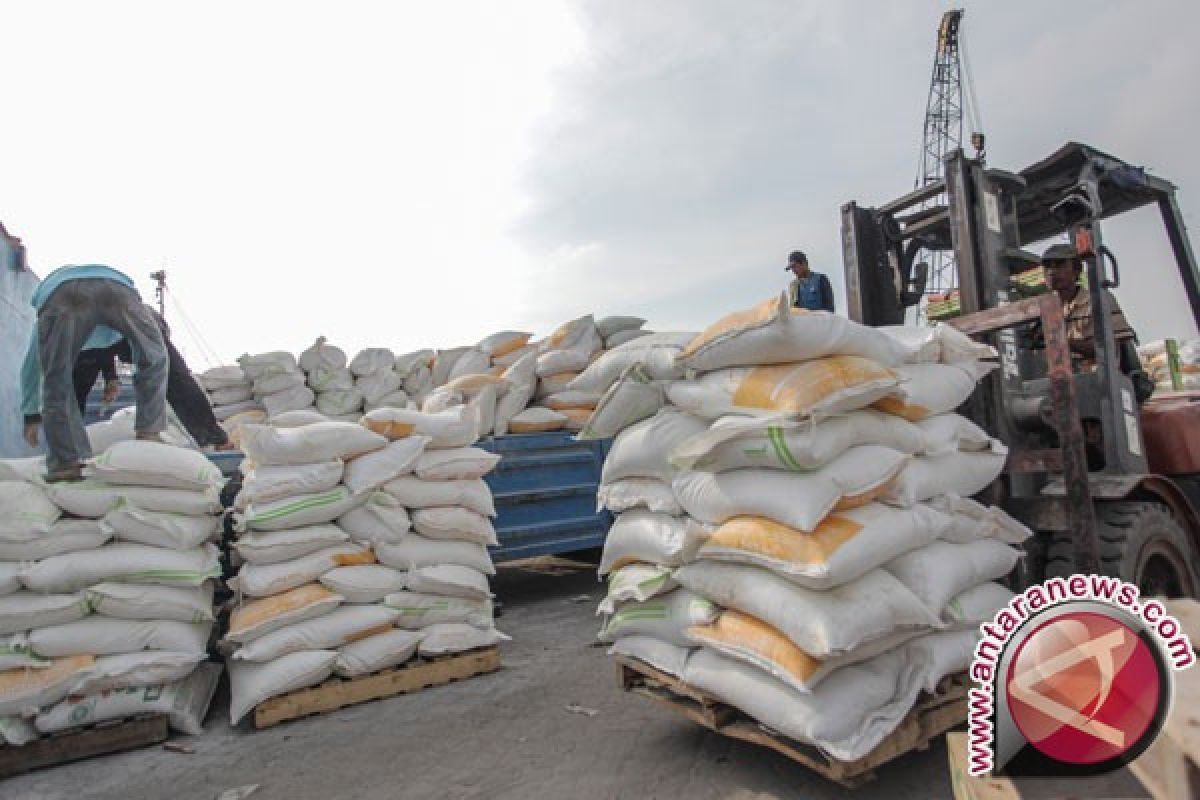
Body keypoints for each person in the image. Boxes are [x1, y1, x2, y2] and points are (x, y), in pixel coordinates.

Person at [21, 265, 168, 482]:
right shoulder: (117, 330)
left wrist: (31, 414)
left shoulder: (70, 330)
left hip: (61, 293)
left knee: (57, 376)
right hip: (117, 288)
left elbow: (34, 368)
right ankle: (149, 432)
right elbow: (151, 356)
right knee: (155, 357)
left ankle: (67, 462)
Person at [71, 308, 235, 450]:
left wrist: (111, 379)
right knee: (176, 381)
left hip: (83, 329)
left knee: (74, 394)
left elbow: (104, 344)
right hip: (95, 330)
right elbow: (179, 384)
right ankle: (215, 440)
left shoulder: (104, 321)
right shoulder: (149, 327)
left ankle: (68, 451)